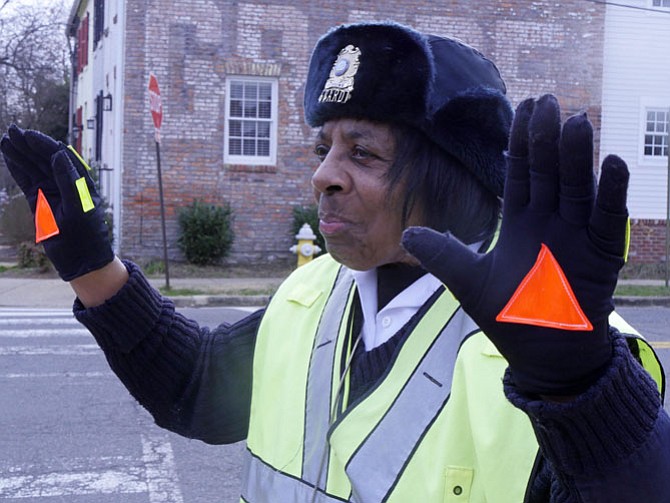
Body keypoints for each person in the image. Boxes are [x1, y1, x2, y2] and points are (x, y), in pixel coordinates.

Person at [1, 20, 669, 503]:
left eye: (363, 153)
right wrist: (93, 267)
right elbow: (198, 389)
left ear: (453, 179)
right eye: (324, 147)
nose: (322, 175)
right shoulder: (316, 290)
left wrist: (583, 397)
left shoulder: (562, 350)